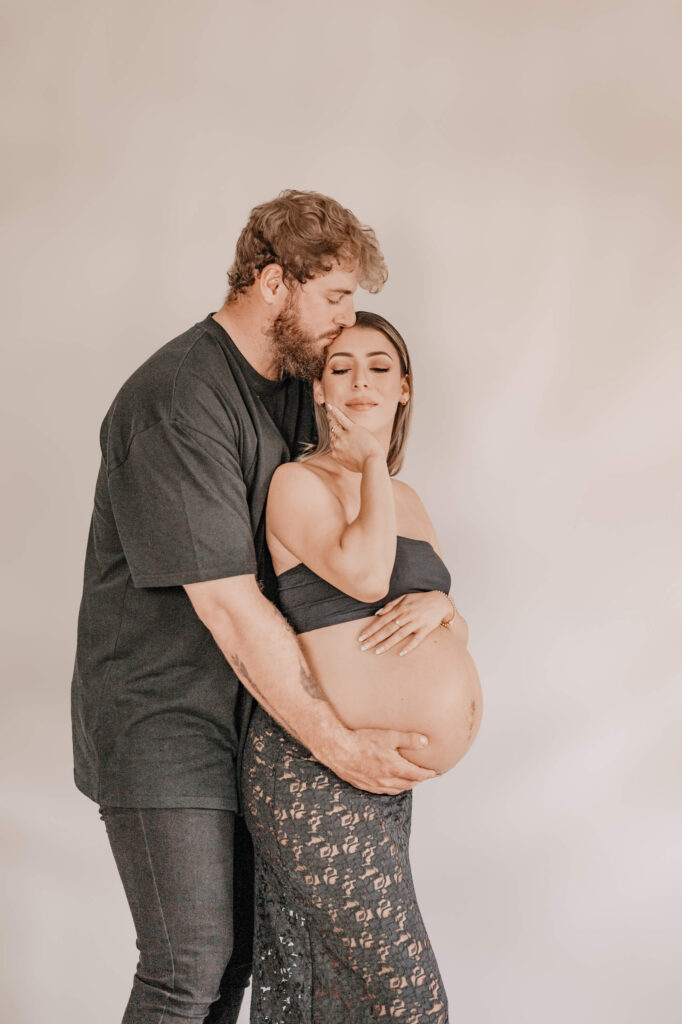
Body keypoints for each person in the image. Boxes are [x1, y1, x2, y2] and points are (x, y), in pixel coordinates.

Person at [71, 193, 438, 1024]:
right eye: (336, 296)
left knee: (236, 963)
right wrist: (339, 745)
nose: (349, 320)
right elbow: (233, 611)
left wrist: (439, 609)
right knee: (186, 966)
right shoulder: (179, 398)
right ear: (275, 283)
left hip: (253, 720)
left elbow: (334, 563)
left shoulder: (288, 388)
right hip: (163, 720)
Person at [241, 311, 482, 1022]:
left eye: (379, 367)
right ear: (319, 389)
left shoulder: (406, 500)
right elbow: (368, 578)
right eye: (340, 367)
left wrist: (441, 606)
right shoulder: (297, 483)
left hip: (380, 782)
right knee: (409, 1002)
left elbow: (450, 620)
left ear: (404, 388)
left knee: (346, 1000)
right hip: (313, 769)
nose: (359, 382)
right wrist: (370, 461)